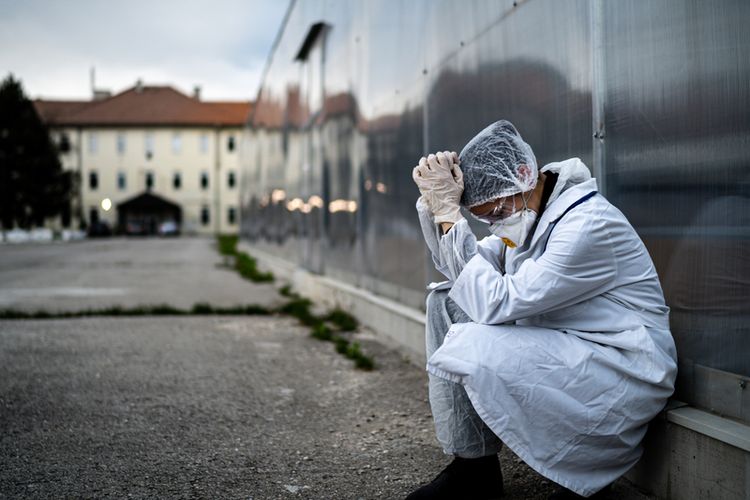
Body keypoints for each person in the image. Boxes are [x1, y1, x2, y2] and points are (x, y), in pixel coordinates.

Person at [407, 120, 677, 499]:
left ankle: (585, 479)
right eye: (486, 218)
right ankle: (474, 469)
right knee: (446, 302)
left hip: (620, 364)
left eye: (496, 212)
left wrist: (451, 215)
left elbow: (496, 302)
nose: (494, 225)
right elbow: (462, 273)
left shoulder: (587, 224)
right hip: (569, 347)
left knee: (476, 343)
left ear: (523, 175)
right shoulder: (529, 215)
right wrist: (435, 206)